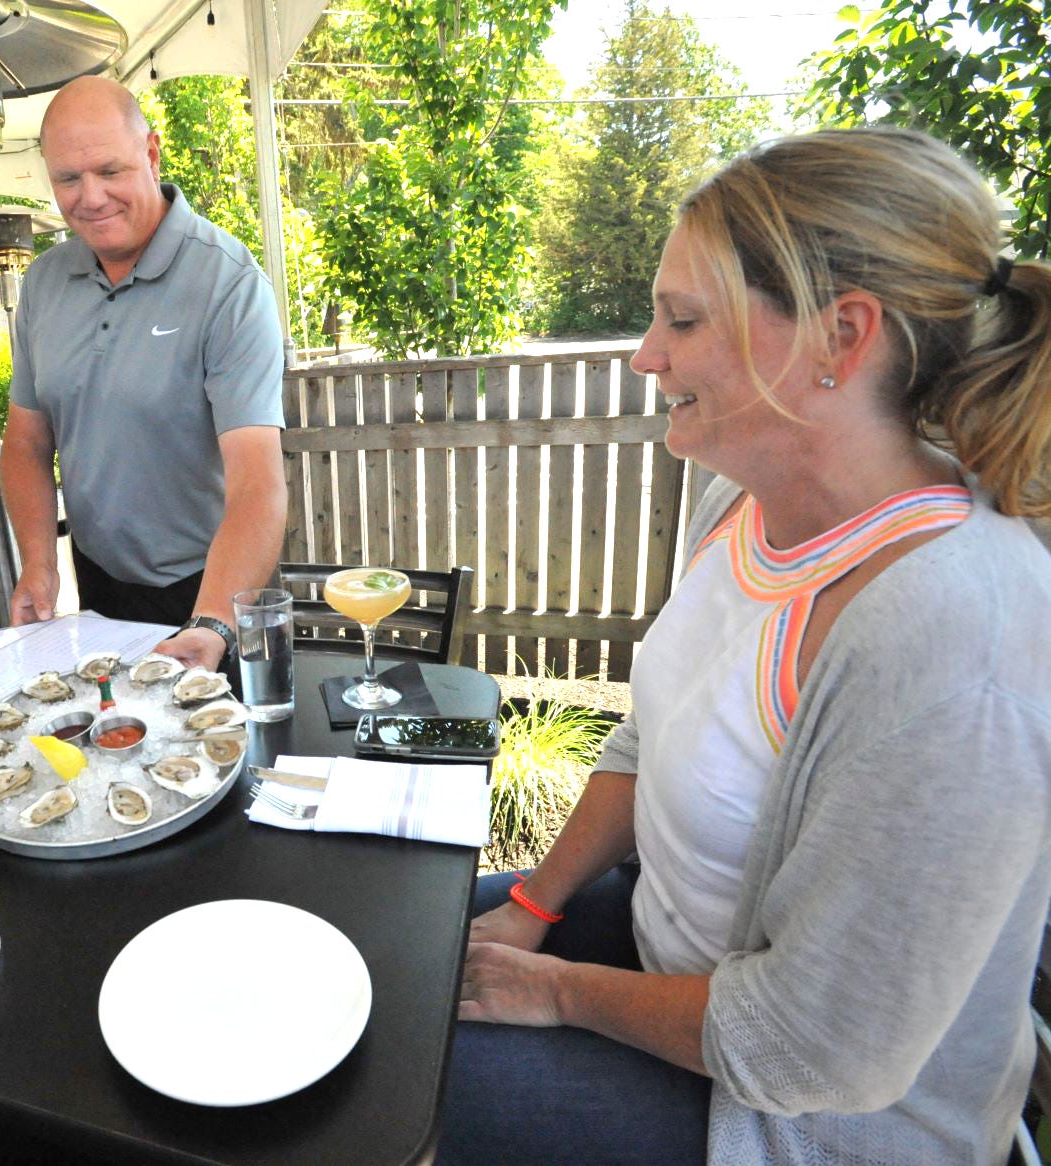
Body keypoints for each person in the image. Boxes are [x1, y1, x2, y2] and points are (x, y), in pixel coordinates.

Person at [441, 126, 1051, 1165]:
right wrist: (537, 901)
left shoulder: (958, 639)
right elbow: (651, 734)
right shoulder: (738, 503)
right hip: (661, 955)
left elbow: (815, 1050)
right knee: (403, 953)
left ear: (839, 338)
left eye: (682, 319)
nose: (646, 353)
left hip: (797, 1118)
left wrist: (555, 990)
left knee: (392, 1083)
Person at [0, 75, 288, 673]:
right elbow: (26, 442)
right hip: (98, 584)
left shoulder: (229, 283)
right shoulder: (44, 283)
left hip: (214, 589)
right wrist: (39, 562)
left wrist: (212, 623)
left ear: (152, 154)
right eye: (68, 179)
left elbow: (257, 485)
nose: (91, 197)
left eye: (110, 170)